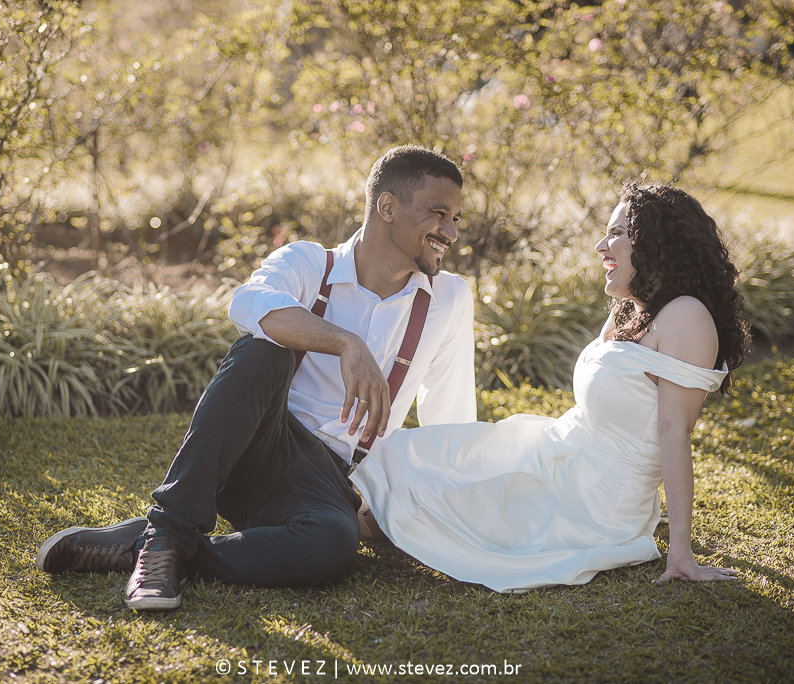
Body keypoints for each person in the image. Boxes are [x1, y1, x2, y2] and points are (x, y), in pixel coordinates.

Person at [35, 145, 477, 609]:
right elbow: (250, 304)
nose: (449, 232)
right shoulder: (310, 264)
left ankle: (157, 548)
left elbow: (450, 420)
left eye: (456, 219)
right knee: (264, 350)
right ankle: (169, 530)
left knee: (331, 547)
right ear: (387, 206)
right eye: (438, 213)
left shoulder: (448, 299)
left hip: (328, 484)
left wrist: (432, 509)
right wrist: (348, 343)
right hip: (254, 447)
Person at [352, 182, 749, 592]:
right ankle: (333, 509)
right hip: (558, 452)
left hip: (587, 506)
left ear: (658, 242)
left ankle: (329, 520)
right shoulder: (634, 308)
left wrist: (680, 550)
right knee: (409, 458)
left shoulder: (686, 316)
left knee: (430, 497)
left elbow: (674, 431)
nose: (601, 245)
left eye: (617, 233)